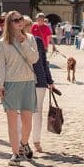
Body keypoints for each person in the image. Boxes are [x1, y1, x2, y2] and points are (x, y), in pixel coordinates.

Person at [0, 10, 39, 165]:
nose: (19, 22)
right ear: (9, 23)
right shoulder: (2, 43)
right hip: (11, 84)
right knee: (12, 121)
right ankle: (15, 153)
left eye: (20, 19)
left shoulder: (30, 39)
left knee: (27, 121)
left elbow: (34, 59)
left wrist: (23, 42)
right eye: (15, 20)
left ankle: (24, 143)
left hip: (27, 82)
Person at [24, 16, 56, 154]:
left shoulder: (35, 41)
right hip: (36, 81)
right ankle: (34, 141)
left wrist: (49, 80)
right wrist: (49, 80)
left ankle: (27, 141)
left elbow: (43, 62)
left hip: (32, 81)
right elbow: (44, 63)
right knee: (36, 112)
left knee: (26, 112)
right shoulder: (32, 41)